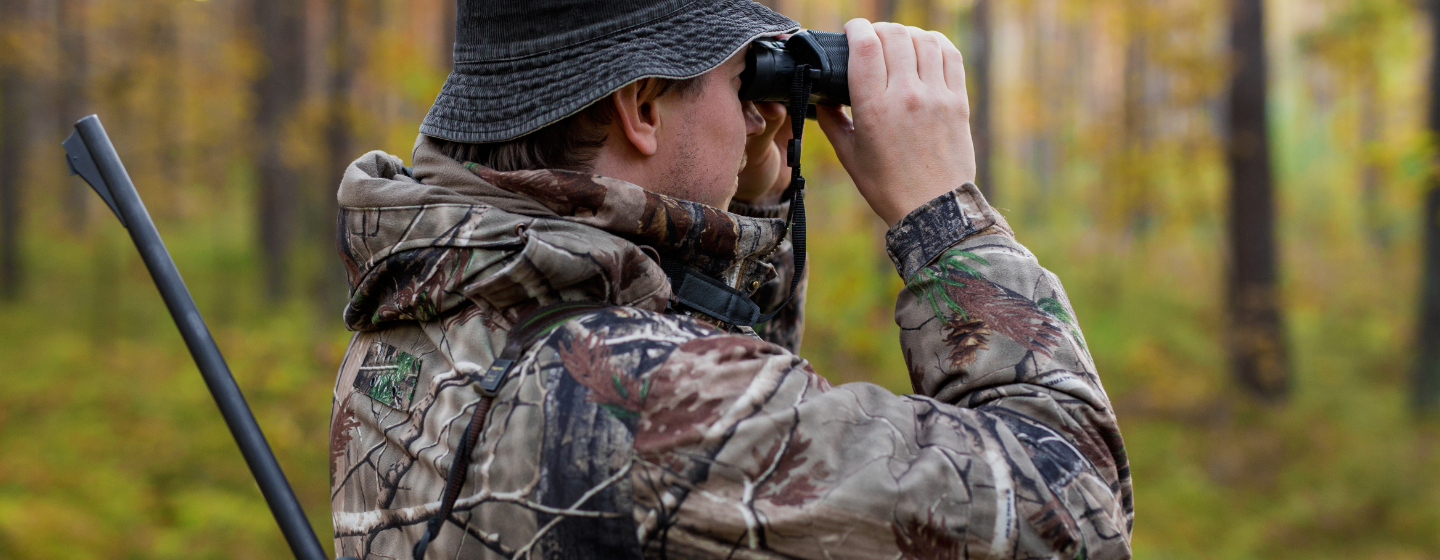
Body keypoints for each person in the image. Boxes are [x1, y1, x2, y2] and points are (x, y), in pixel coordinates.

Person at [327, 1, 1133, 558]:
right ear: (640, 106)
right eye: (742, 77)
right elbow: (1072, 514)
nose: (760, 110)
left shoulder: (421, 303)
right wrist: (945, 223)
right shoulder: (651, 403)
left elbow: (707, 451)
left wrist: (747, 200)